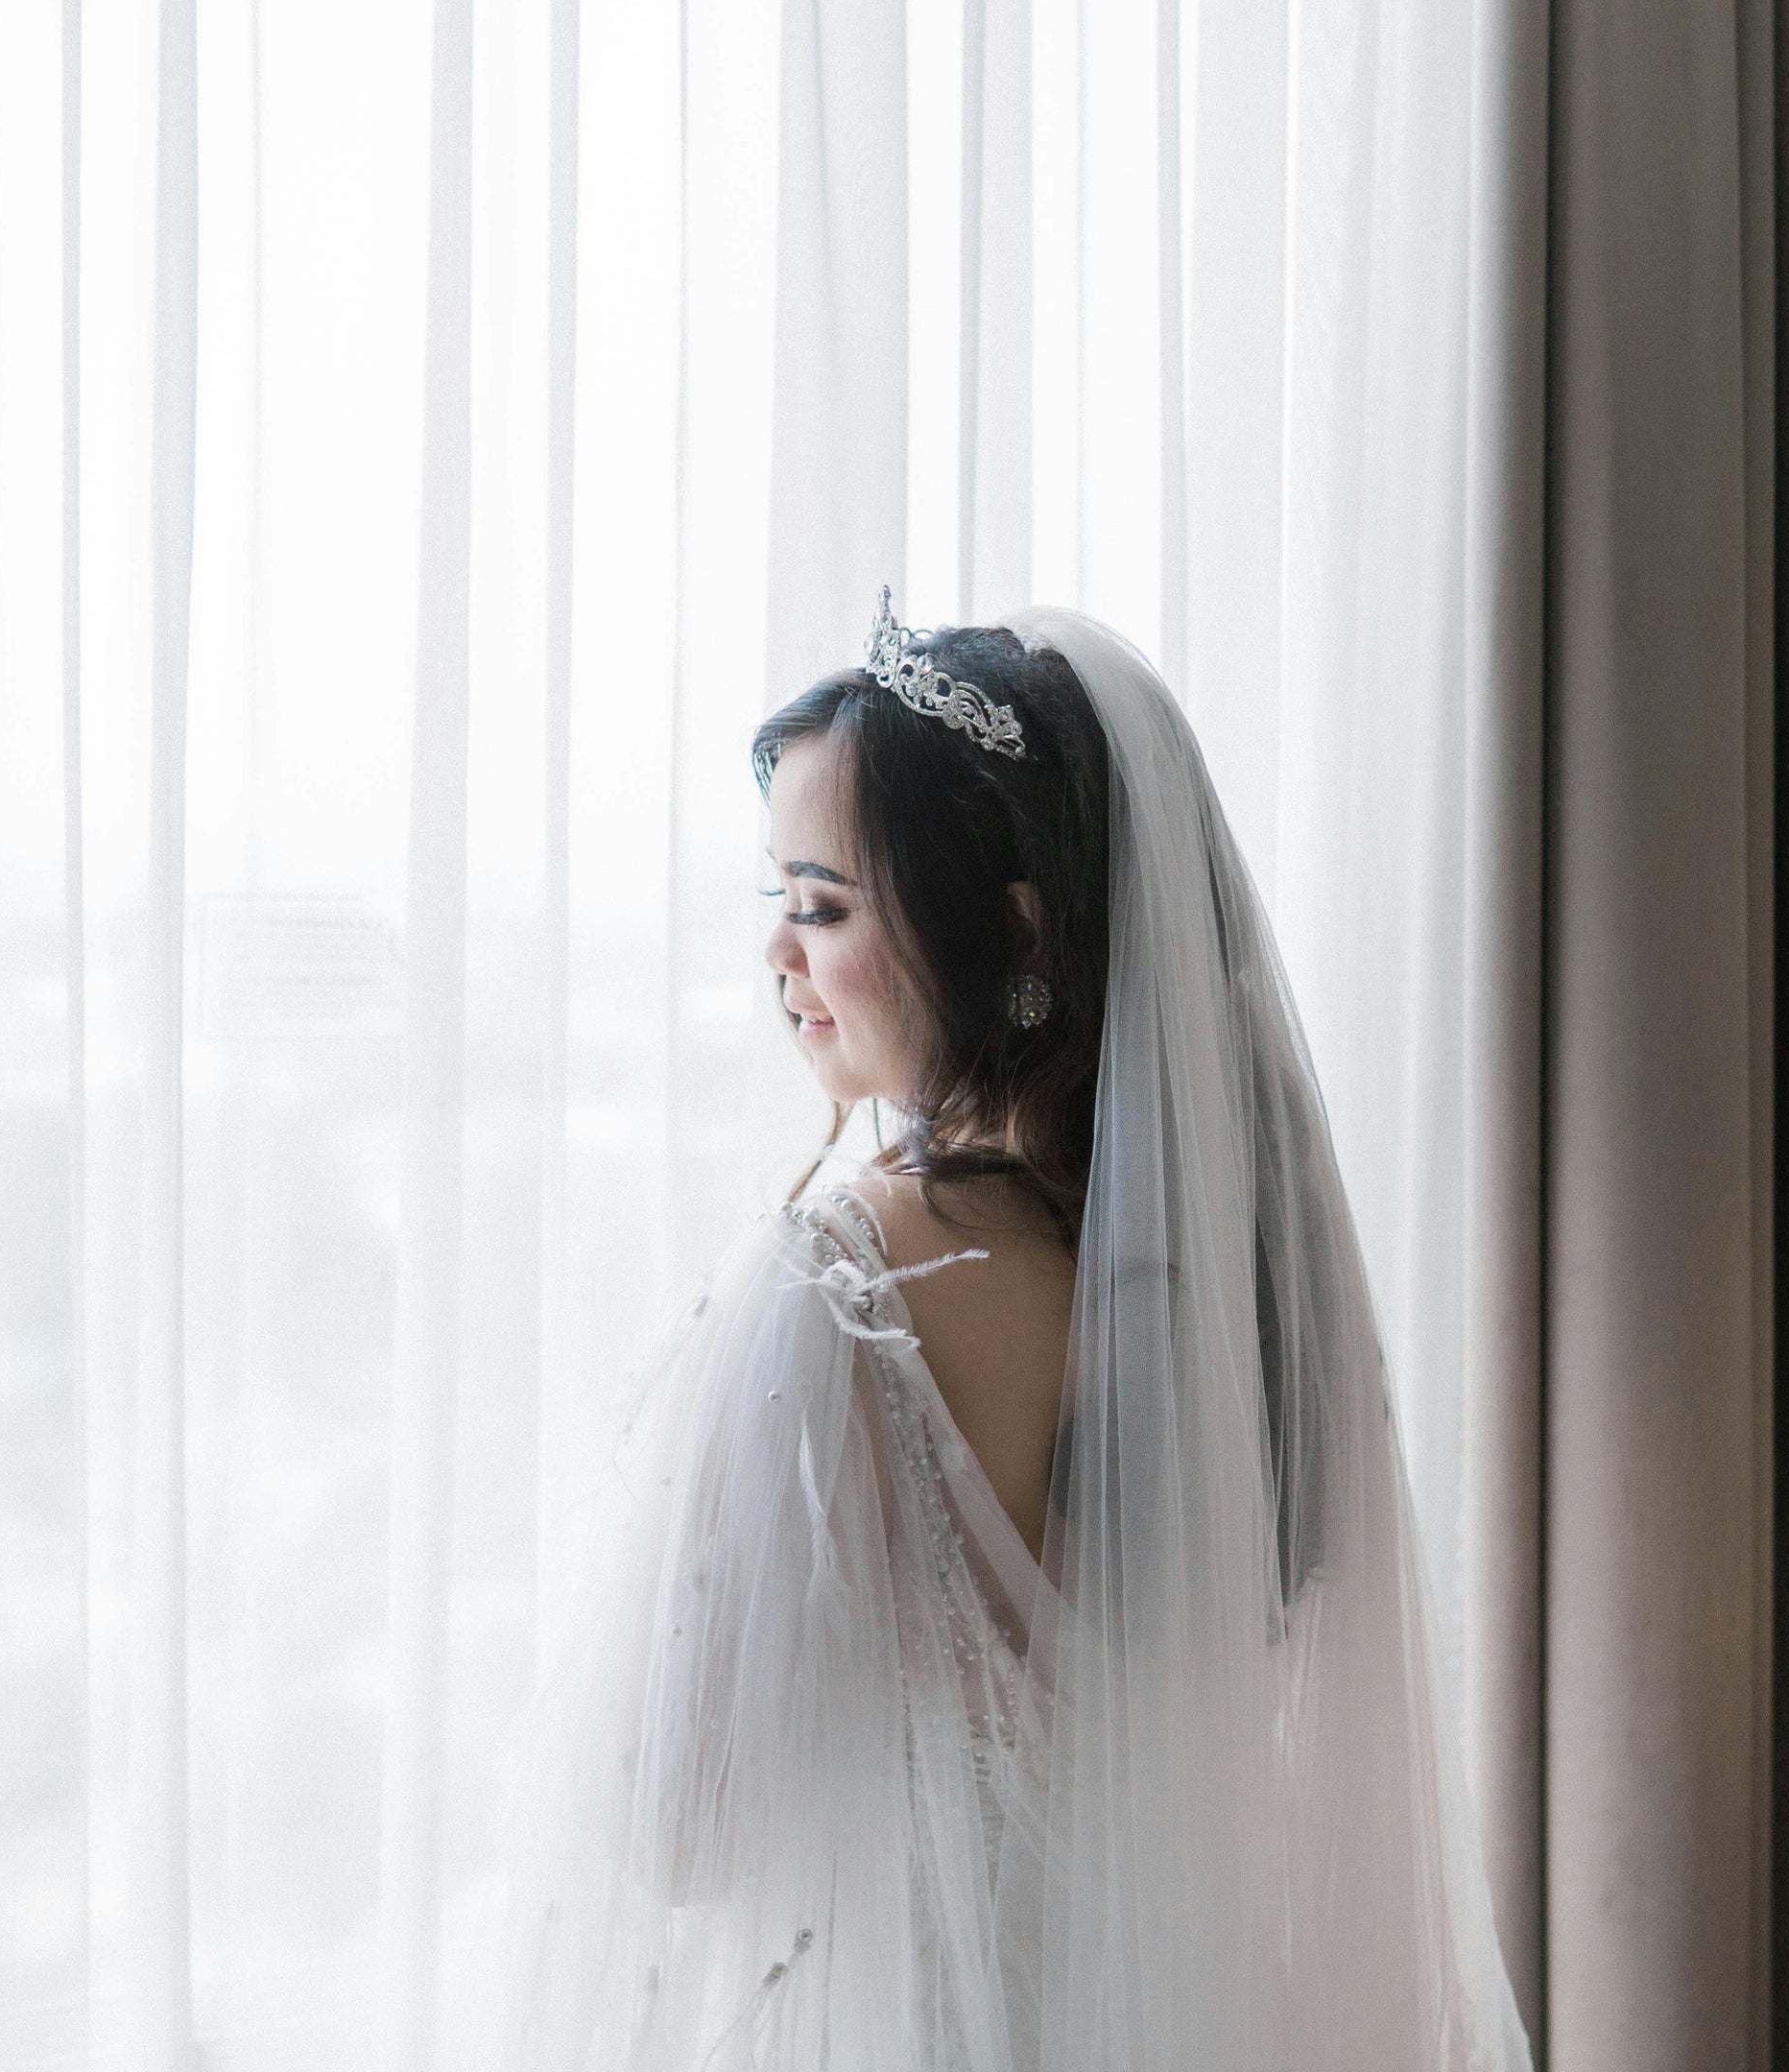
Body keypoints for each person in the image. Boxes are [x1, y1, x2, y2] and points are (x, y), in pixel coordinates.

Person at [482, 595, 1530, 2072]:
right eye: (778, 902)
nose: (780, 958)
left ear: (1011, 931)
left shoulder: (835, 1288)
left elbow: (674, 1830)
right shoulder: (1229, 1271)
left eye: (825, 905)